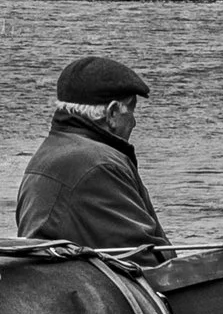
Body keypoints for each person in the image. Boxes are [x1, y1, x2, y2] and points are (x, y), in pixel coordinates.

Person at [15, 55, 168, 256]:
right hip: (74, 283)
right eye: (131, 111)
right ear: (112, 113)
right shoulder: (100, 165)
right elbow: (145, 258)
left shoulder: (47, 153)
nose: (134, 123)